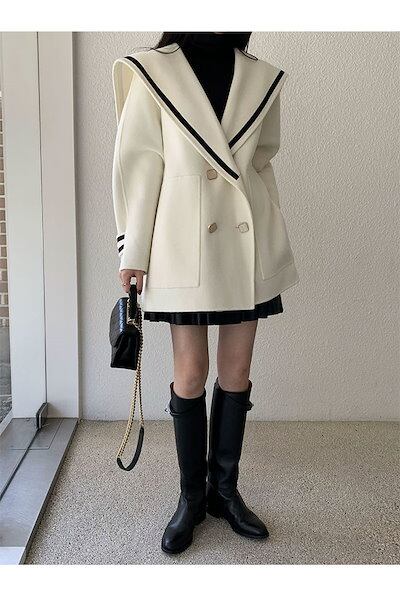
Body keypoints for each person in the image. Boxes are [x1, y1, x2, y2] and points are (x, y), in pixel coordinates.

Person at [111, 32, 300, 555]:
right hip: (182, 241)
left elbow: (261, 162)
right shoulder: (153, 70)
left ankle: (225, 492)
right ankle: (191, 496)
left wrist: (273, 233)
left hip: (245, 238)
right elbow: (140, 164)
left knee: (237, 371)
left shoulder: (260, 75)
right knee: (190, 373)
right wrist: (133, 251)